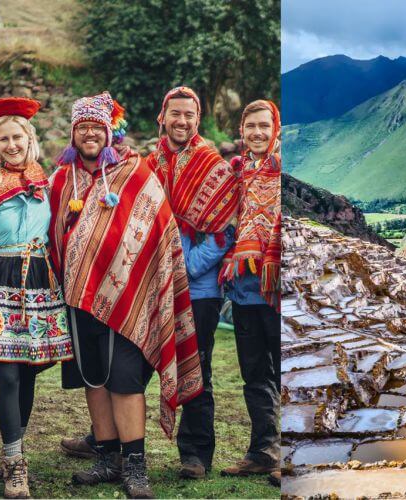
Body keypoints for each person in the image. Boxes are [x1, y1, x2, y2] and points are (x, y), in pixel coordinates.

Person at [47, 91, 202, 499]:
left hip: (127, 295)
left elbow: (161, 228)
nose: (90, 135)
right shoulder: (62, 179)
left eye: (97, 128)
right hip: (77, 298)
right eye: (83, 129)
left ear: (108, 132)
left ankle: (136, 465)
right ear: (74, 133)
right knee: (93, 377)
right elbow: (50, 235)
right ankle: (108, 457)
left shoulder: (134, 173)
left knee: (125, 381)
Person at [0, 97, 73, 499]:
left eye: (17, 137)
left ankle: (13, 450)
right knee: (6, 374)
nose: (11, 144)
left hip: (39, 282)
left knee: (27, 371)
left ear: (30, 139)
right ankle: (14, 462)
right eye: (4, 138)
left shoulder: (48, 182)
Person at [138, 86, 241, 479]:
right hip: (151, 287)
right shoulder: (148, 167)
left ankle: (195, 454)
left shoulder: (212, 166)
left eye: (189, 115)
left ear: (198, 120)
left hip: (199, 291)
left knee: (198, 369)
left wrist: (178, 272)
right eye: (175, 113)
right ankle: (107, 439)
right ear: (161, 117)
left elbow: (220, 238)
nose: (182, 121)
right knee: (132, 367)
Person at [217, 99, 283, 481]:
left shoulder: (282, 175)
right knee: (255, 375)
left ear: (275, 129)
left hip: (275, 291)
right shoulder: (237, 174)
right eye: (250, 127)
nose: (257, 133)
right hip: (243, 290)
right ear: (242, 131)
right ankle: (264, 452)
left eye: (264, 126)